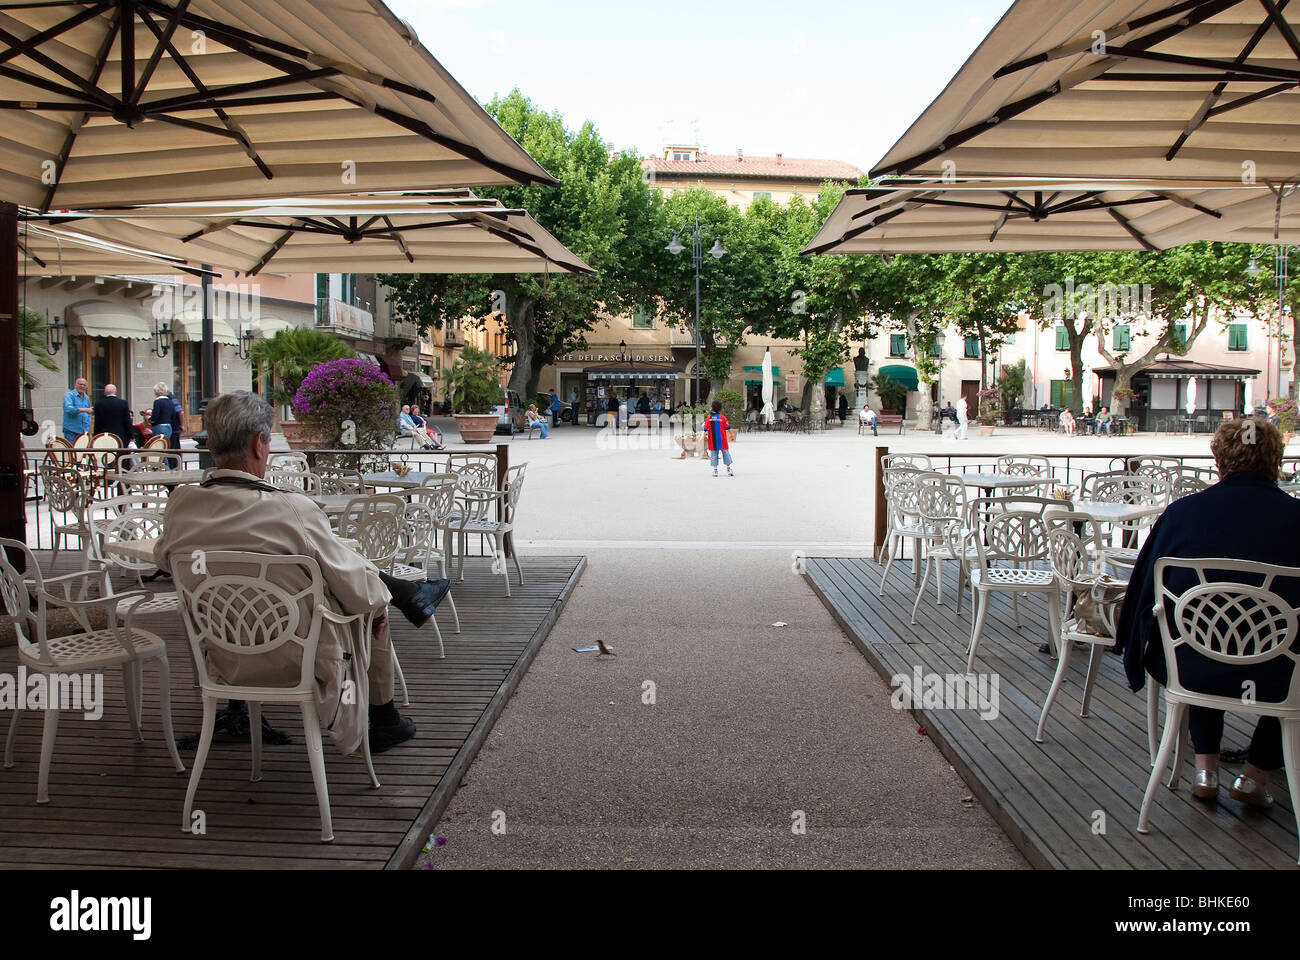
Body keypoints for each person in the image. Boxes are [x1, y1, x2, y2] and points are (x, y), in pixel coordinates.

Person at [155, 391, 450, 755]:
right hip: (298, 660)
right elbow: (362, 594)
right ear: (259, 444)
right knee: (373, 607)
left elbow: (164, 560)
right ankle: (384, 720)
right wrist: (372, 596)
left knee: (351, 584)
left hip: (220, 660)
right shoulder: (291, 509)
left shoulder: (181, 505)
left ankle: (404, 597)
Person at [1115, 419, 1300, 809]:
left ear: (1219, 460)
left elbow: (1143, 591)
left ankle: (1205, 769)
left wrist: (1131, 646)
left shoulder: (1183, 515)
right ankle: (1255, 775)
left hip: (1194, 667)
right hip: (1277, 673)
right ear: (1275, 461)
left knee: (1200, 632)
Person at [92, 383, 133, 447]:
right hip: (120, 435)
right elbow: (127, 421)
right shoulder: (123, 403)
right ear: (115, 392)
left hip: (105, 436)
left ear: (105, 392)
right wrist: (131, 435)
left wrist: (96, 436)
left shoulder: (99, 404)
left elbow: (97, 423)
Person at [704, 399, 733, 478]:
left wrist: (704, 435)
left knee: (714, 454)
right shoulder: (722, 418)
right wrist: (731, 435)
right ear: (720, 408)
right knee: (726, 454)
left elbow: (705, 429)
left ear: (712, 408)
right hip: (722, 440)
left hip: (712, 441)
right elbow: (728, 427)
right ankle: (729, 469)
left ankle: (715, 470)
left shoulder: (709, 418)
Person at [61, 377, 92, 442]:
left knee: (82, 451)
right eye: (80, 384)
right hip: (71, 431)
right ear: (75, 385)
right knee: (72, 451)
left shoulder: (86, 397)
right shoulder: (69, 395)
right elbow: (68, 409)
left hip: (84, 432)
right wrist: (84, 409)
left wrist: (89, 431)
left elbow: (87, 415)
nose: (82, 386)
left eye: (84, 385)